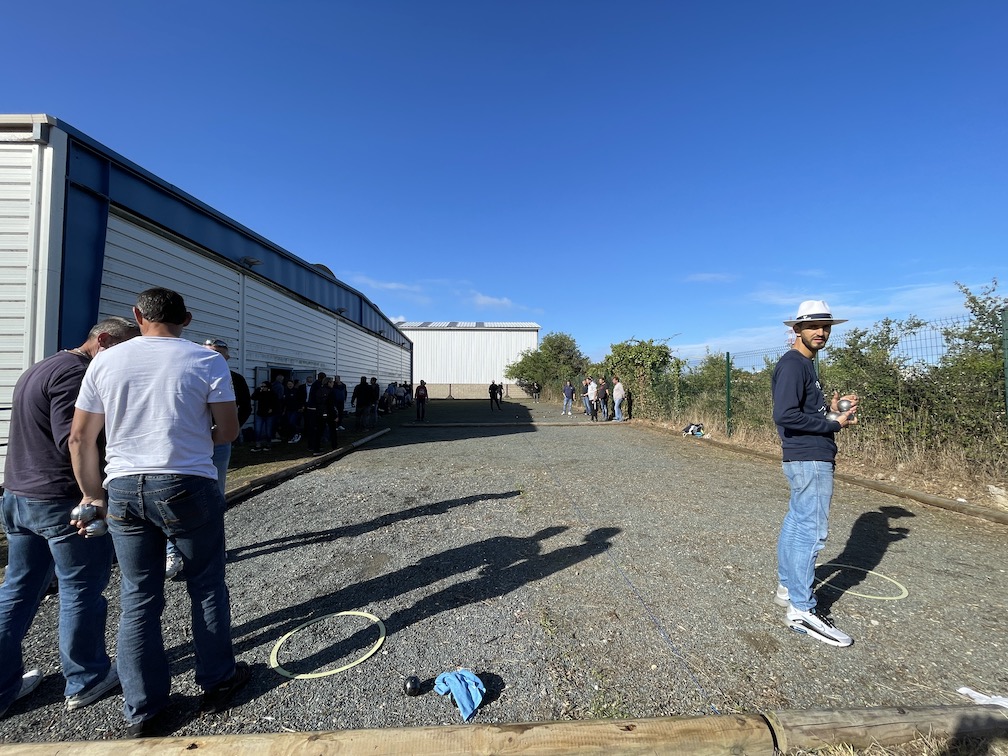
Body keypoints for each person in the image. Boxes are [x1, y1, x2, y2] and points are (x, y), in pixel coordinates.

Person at [69, 287, 249, 736]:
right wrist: (192, 438)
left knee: (138, 596)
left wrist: (92, 495)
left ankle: (144, 709)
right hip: (187, 480)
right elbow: (227, 431)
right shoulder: (207, 360)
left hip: (123, 485)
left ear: (137, 315)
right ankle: (218, 680)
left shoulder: (105, 361)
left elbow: (80, 438)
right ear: (186, 320)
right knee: (206, 584)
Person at [0, 317, 138, 719]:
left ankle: (4, 684)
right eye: (125, 349)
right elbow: (73, 440)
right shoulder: (78, 375)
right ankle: (87, 677)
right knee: (81, 589)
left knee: (18, 589)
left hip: (19, 495)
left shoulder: (42, 367)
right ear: (103, 340)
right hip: (62, 499)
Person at [772, 300, 858, 648]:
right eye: (813, 326)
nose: (821, 332)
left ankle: (787, 588)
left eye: (826, 327)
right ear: (797, 329)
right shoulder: (794, 364)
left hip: (806, 456)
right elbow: (785, 415)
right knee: (811, 531)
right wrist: (832, 424)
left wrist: (830, 410)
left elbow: (802, 411)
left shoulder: (805, 364)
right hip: (809, 457)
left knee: (797, 522)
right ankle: (802, 610)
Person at [166, 338, 251, 582]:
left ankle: (215, 547)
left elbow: (245, 407)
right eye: (210, 352)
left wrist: (225, 431)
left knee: (215, 495)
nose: (214, 357)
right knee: (176, 496)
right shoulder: (187, 373)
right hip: (188, 443)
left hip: (219, 443)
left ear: (227, 358)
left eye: (219, 354)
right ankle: (173, 553)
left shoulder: (235, 379)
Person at [249, 381, 279, 452]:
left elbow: (276, 403)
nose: (262, 388)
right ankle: (258, 445)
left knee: (268, 431)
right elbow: (253, 397)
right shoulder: (260, 392)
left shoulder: (272, 393)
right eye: (261, 386)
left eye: (264, 386)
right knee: (258, 430)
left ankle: (268, 444)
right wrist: (258, 391)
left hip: (269, 415)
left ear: (268, 387)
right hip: (260, 414)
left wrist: (272, 409)